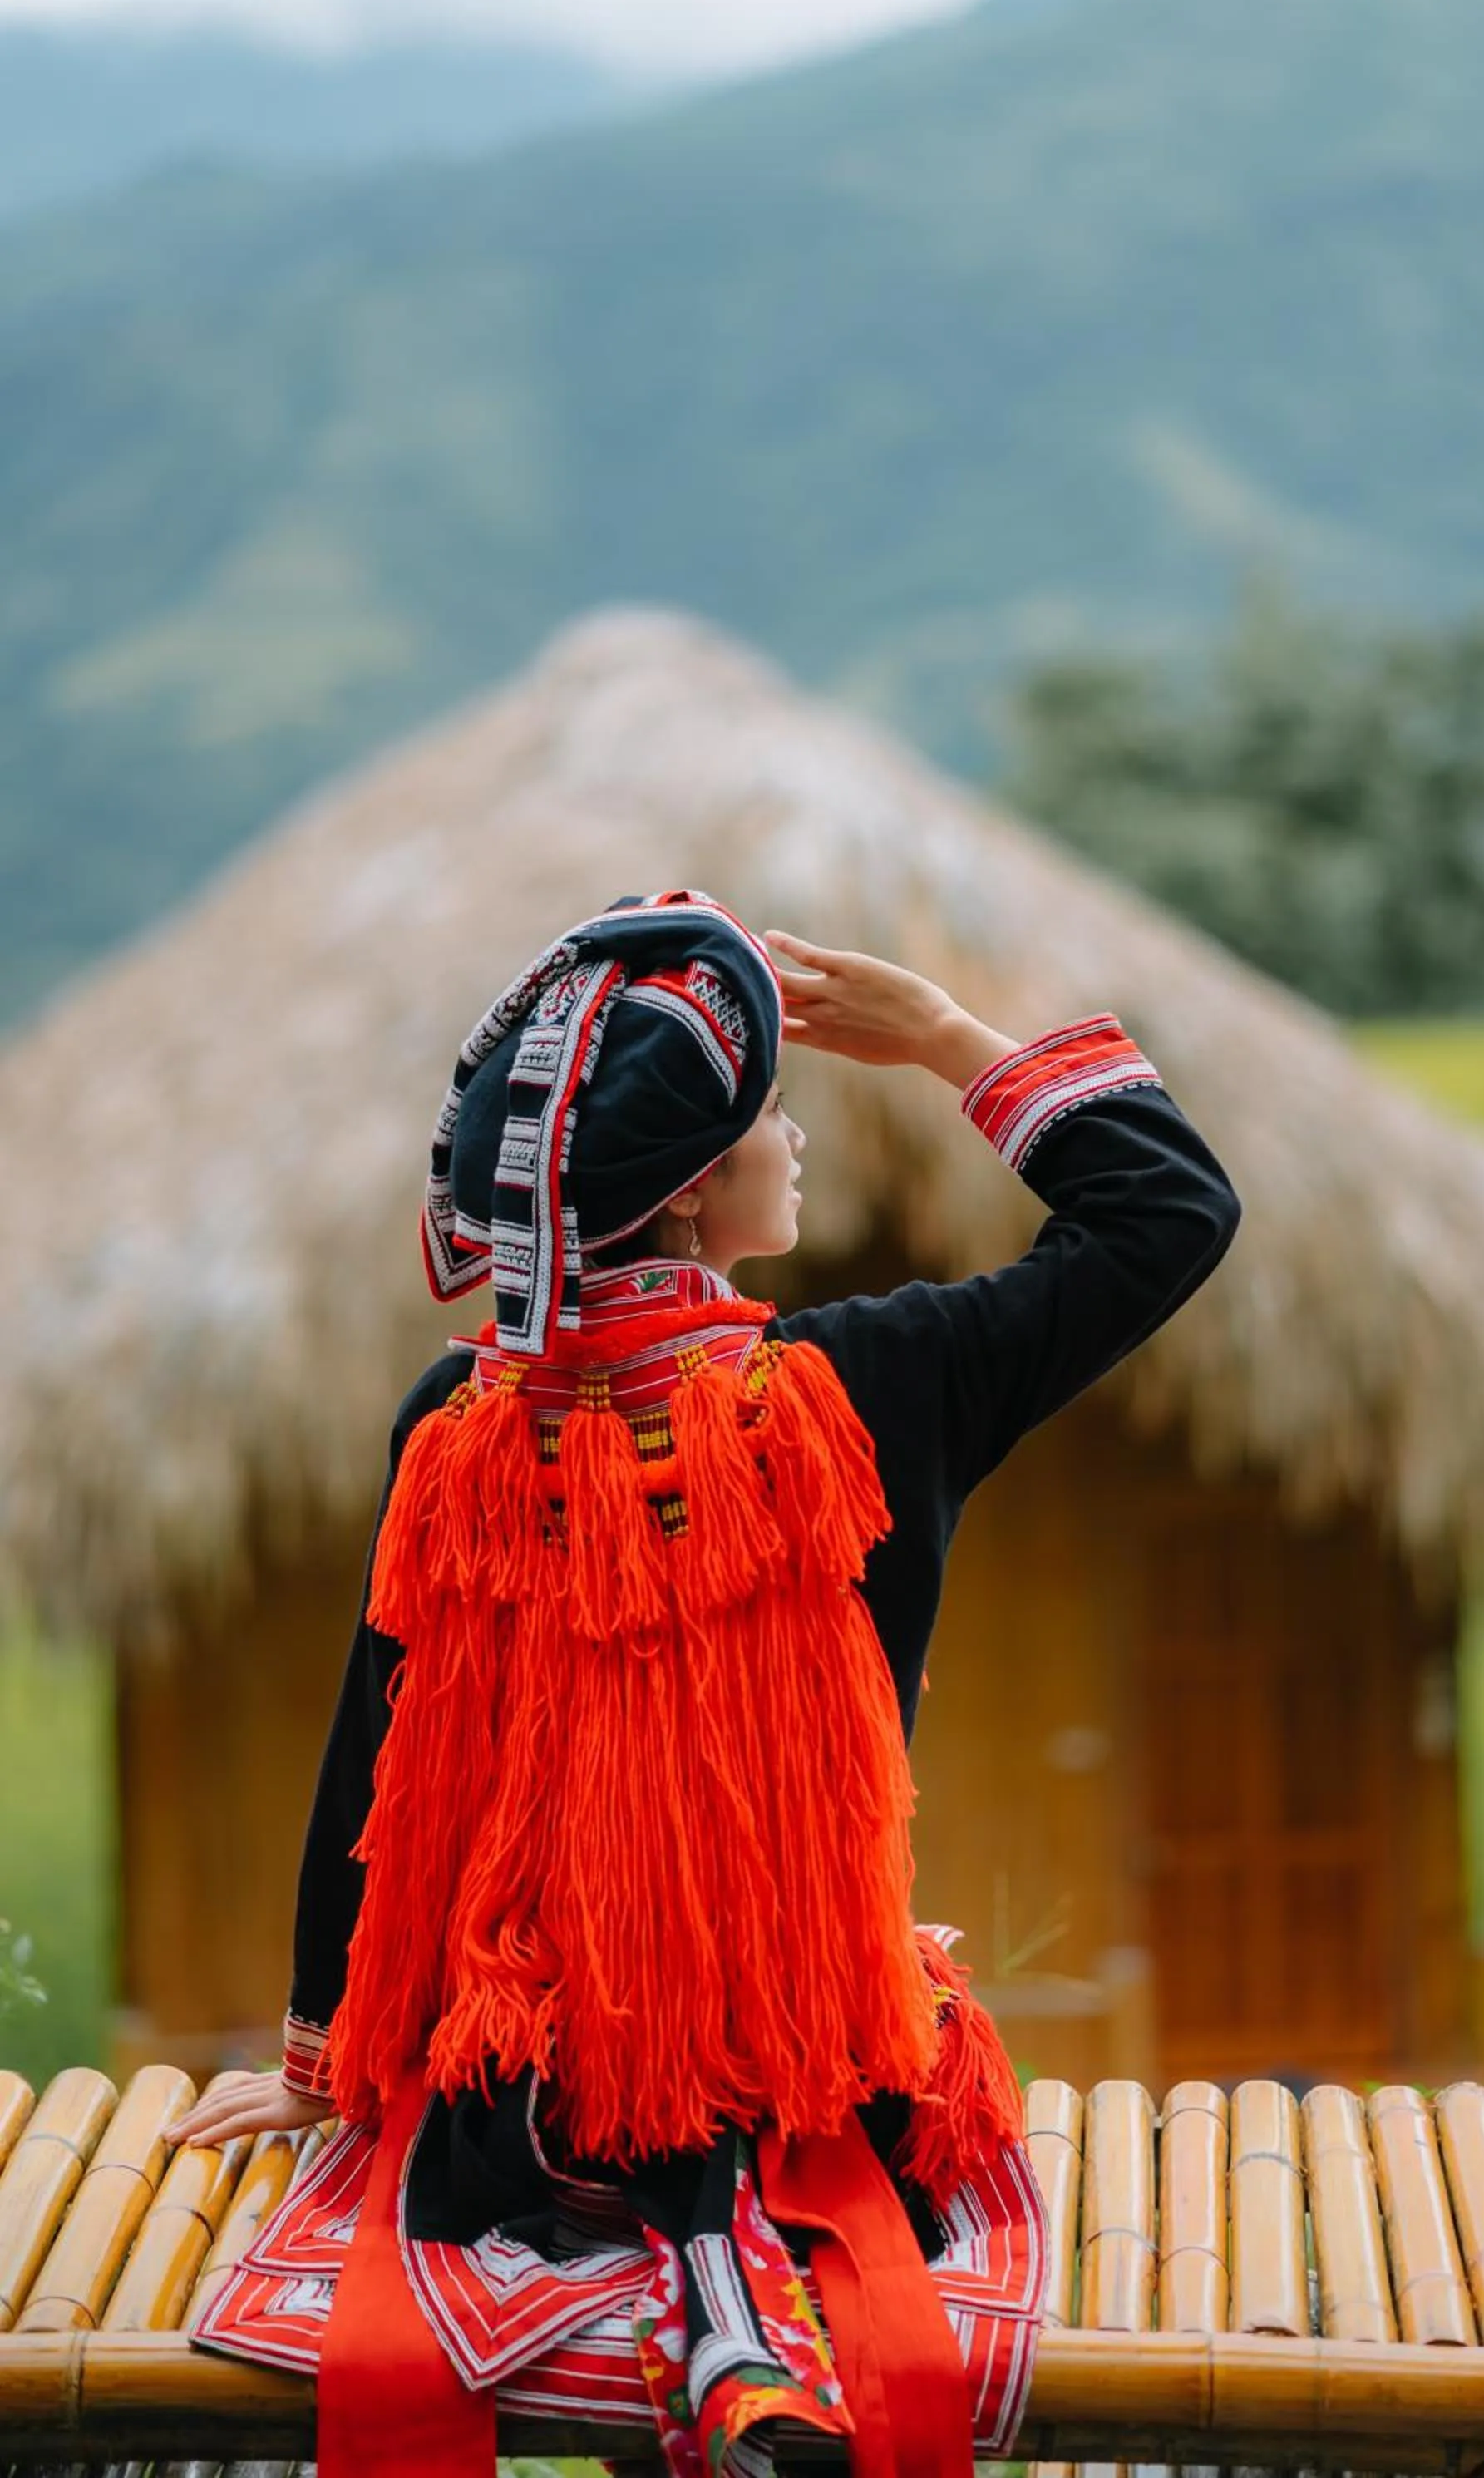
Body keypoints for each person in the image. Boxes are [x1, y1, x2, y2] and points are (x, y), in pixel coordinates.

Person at [175, 889, 1240, 2478]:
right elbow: (1167, 1213)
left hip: (515, 2124)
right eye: (768, 1118)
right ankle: (741, 2312)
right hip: (817, 2088)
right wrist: (948, 1040)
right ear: (691, 1193)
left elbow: (375, 1759)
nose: (796, 1141)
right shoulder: (865, 1387)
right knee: (882, 2036)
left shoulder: (456, 1424)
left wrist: (326, 2058)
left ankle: (704, 2292)